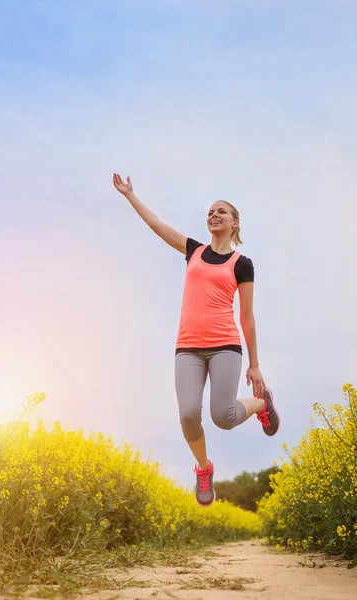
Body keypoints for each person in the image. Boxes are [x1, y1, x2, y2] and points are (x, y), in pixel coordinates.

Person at [113, 173, 280, 507]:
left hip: (225, 347)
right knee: (188, 414)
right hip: (187, 347)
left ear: (235, 224)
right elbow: (155, 224)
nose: (214, 215)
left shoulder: (241, 264)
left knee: (223, 417)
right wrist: (130, 195)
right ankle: (204, 468)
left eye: (221, 212)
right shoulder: (194, 250)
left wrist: (255, 366)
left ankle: (263, 404)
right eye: (210, 213)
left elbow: (247, 316)